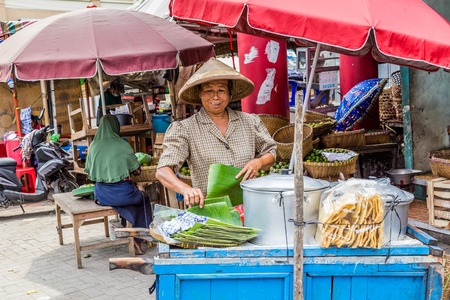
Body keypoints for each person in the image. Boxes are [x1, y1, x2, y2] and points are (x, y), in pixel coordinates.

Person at [156, 58, 276, 208]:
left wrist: (258, 162)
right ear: (200, 94)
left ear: (230, 94)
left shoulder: (250, 122)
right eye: (208, 91)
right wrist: (186, 189)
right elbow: (162, 171)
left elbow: (271, 152)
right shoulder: (185, 128)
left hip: (250, 206)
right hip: (210, 209)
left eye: (221, 90)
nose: (215, 97)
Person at [85, 114, 152, 253]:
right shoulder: (123, 145)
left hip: (101, 195)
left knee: (126, 202)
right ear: (116, 127)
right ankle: (142, 235)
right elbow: (137, 172)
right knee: (143, 198)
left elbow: (89, 173)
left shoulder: (93, 146)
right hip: (124, 194)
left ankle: (130, 231)